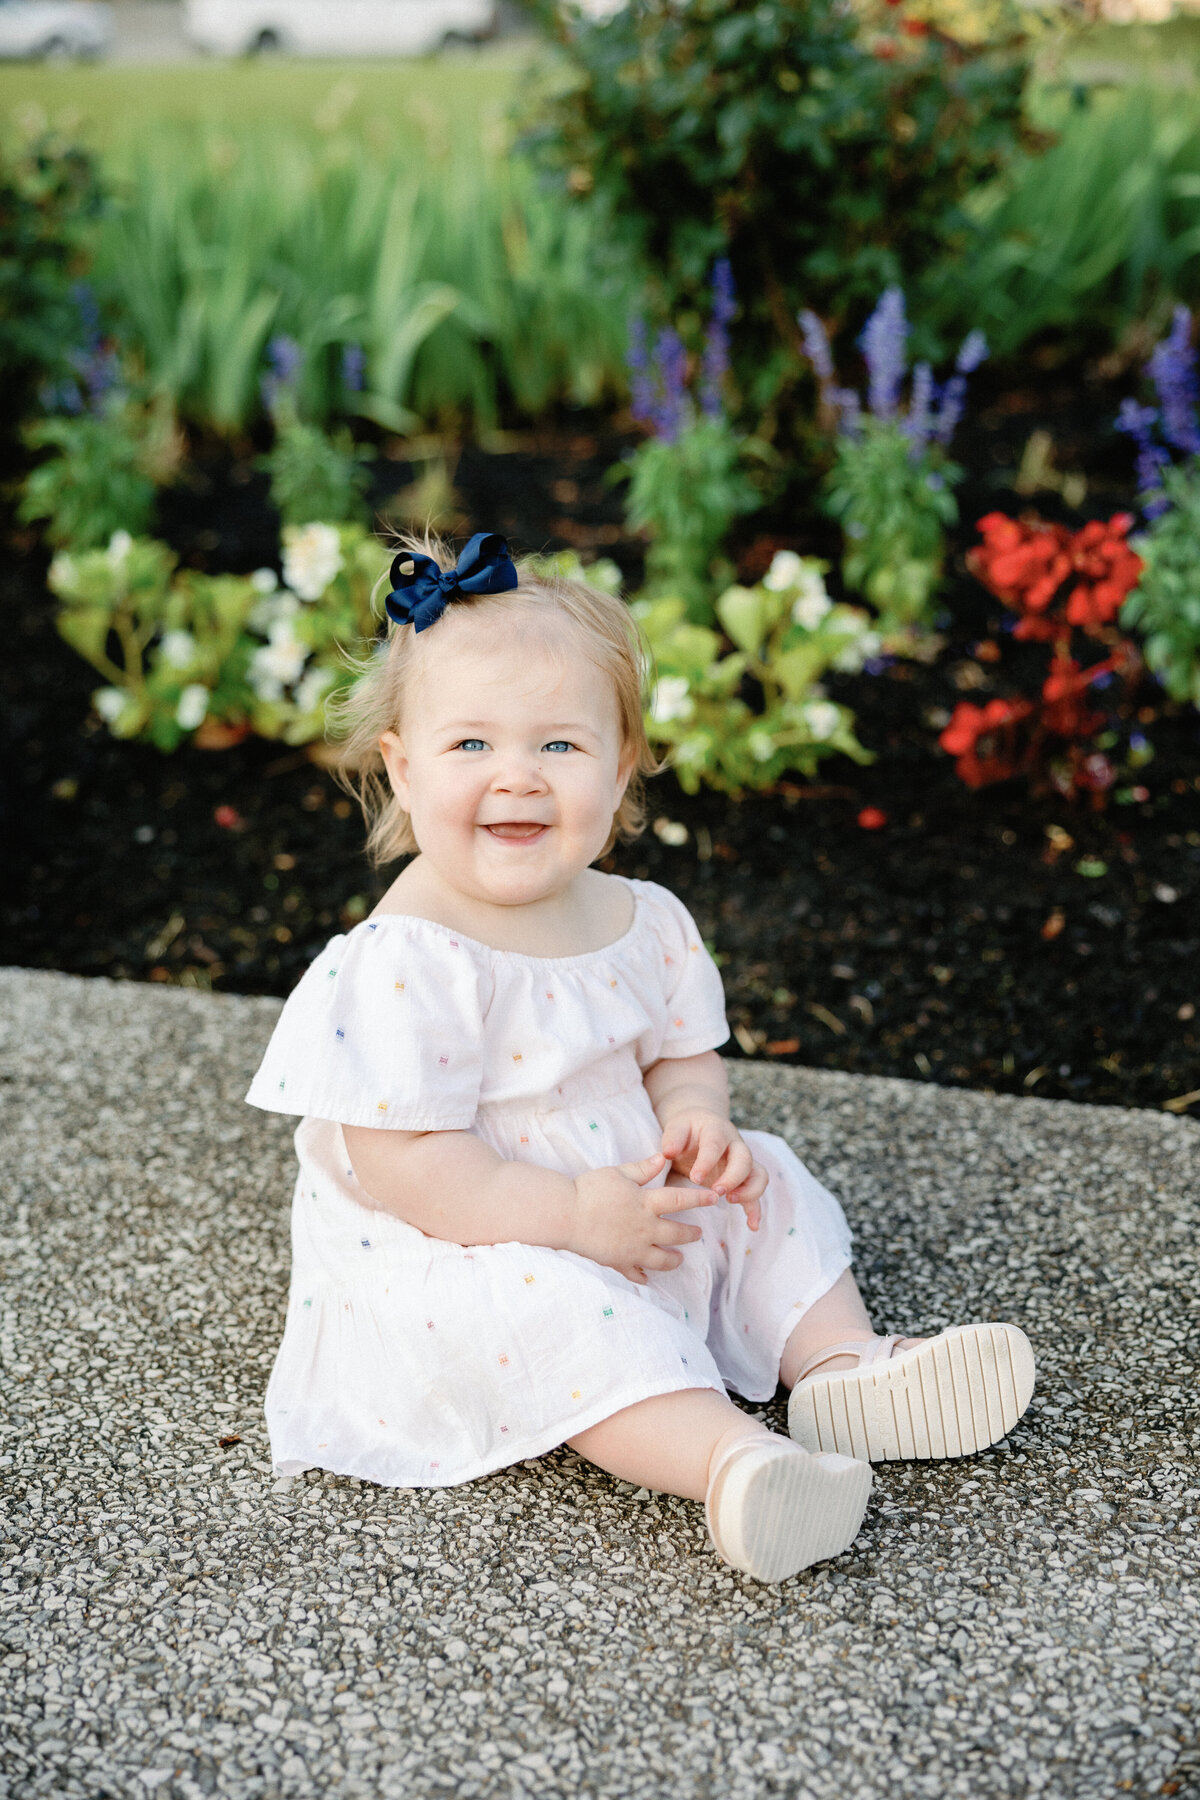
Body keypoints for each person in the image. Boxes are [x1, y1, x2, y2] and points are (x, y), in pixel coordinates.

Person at [246, 532, 1035, 1583]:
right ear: (400, 764)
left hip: (627, 1183)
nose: (517, 779)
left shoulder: (641, 918)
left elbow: (682, 1056)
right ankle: (734, 1460)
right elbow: (408, 1166)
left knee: (770, 1182)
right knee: (567, 1312)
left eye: (559, 748)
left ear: (620, 767)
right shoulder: (408, 957)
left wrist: (695, 1125)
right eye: (470, 746)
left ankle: (842, 1363)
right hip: (475, 1227)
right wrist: (571, 1221)